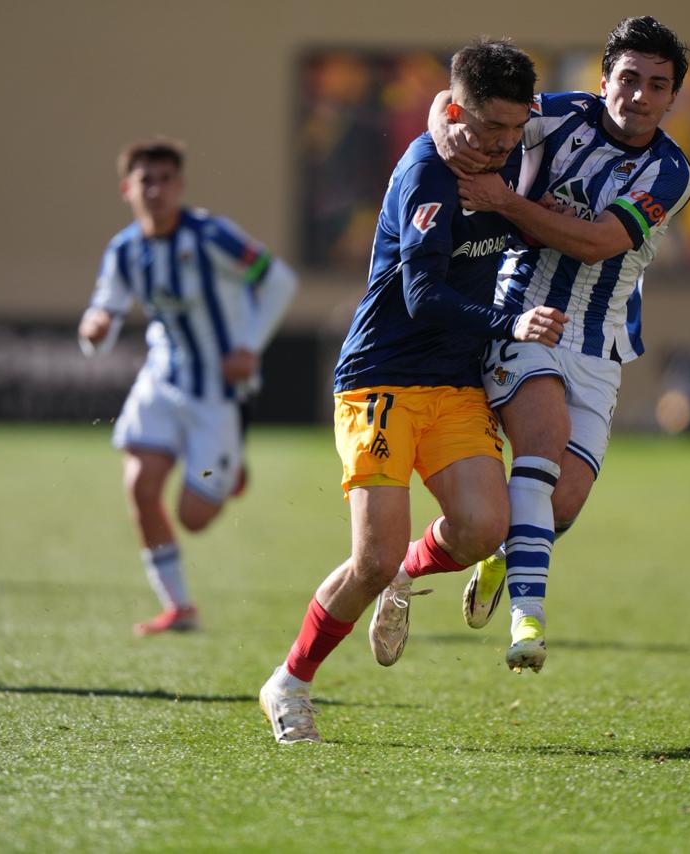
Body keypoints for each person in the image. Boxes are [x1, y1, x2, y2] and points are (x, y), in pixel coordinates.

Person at [258, 39, 568, 744]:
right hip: (382, 380)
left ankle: (402, 573)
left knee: (483, 530)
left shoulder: (504, 143)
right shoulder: (428, 175)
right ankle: (291, 683)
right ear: (454, 111)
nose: (501, 144)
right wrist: (511, 320)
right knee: (369, 560)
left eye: (514, 129)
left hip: (455, 384)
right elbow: (424, 295)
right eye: (488, 128)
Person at [429, 16, 690, 673]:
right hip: (523, 315)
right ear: (603, 80)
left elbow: (600, 241)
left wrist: (505, 201)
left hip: (601, 343)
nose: (638, 95)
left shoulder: (671, 172)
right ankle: (529, 620)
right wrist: (443, 131)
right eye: (628, 78)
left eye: (656, 85)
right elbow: (455, 102)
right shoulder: (558, 115)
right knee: (541, 447)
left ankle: (492, 559)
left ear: (671, 99)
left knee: (561, 505)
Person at [78, 139, 297, 636]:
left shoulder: (211, 235)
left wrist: (249, 346)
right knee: (138, 483)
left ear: (180, 185)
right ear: (127, 189)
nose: (155, 190)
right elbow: (104, 312)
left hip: (218, 392)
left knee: (194, 516)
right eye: (145, 180)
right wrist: (94, 331)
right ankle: (179, 606)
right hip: (162, 378)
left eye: (164, 179)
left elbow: (278, 279)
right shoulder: (125, 250)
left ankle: (230, 468)